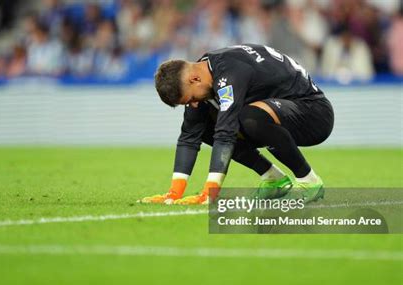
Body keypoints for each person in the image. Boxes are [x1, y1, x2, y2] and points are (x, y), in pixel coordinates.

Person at [140, 44, 334, 205]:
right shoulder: (204, 72)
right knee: (206, 127)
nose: (192, 105)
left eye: (190, 99)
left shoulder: (229, 74)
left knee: (249, 118)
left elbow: (226, 133)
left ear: (195, 79)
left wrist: (210, 192)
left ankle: (309, 181)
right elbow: (189, 136)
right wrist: (174, 193)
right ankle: (274, 179)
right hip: (283, 111)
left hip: (314, 114)